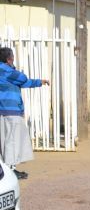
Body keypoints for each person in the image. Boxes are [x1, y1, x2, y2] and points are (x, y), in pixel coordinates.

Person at [0, 47, 49, 179]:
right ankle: (10, 169)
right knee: (12, 140)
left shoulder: (6, 72)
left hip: (3, 110)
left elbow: (23, 82)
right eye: (12, 57)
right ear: (8, 59)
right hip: (10, 111)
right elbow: (22, 78)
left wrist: (39, 82)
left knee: (4, 141)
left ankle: (8, 168)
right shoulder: (6, 70)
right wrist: (12, 66)